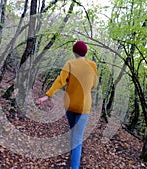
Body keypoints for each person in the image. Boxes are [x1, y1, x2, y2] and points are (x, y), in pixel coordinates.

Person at [36, 40, 98, 169]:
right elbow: (94, 85)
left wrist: (47, 95)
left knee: (73, 132)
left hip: (70, 106)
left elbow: (60, 81)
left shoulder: (70, 64)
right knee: (77, 140)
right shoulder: (92, 65)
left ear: (74, 52)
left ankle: (72, 155)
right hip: (84, 107)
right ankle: (74, 165)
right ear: (85, 52)